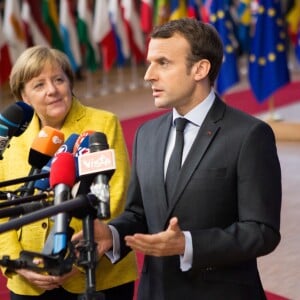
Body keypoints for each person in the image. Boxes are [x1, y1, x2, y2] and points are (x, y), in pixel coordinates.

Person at [73, 18, 282, 300]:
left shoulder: (250, 135)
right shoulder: (146, 134)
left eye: (163, 63)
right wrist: (111, 234)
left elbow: (261, 231)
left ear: (200, 69)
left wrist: (188, 244)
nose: (148, 75)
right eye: (150, 62)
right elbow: (138, 214)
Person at [0, 45, 138, 300]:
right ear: (24, 97)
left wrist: (74, 262)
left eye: (58, 79)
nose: (52, 90)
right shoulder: (11, 139)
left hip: (95, 276)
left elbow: (115, 197)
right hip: (29, 281)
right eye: (39, 85)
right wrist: (16, 262)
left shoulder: (102, 124)